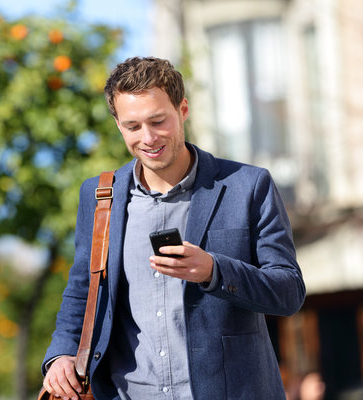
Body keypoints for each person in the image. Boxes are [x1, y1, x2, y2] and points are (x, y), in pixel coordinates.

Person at [41, 57, 306, 399]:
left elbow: (288, 292)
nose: (148, 138)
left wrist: (213, 270)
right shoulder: (98, 197)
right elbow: (83, 291)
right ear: (118, 124)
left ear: (182, 110)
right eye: (132, 126)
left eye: (158, 121)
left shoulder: (248, 186)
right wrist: (61, 354)